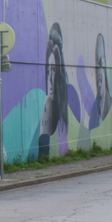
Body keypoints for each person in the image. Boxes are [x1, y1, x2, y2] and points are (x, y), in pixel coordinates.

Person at [39, 23, 68, 156]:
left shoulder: (61, 109)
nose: (50, 78)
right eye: (48, 70)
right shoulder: (47, 103)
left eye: (54, 71)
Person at [90, 34, 112, 127]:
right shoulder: (93, 109)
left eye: (101, 64)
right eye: (97, 67)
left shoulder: (110, 103)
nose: (99, 74)